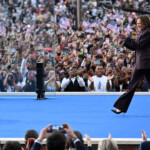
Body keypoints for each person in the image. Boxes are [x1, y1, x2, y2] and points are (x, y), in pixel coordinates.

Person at [111, 15, 150, 114]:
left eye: (139, 23)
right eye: (137, 23)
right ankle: (121, 108)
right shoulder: (142, 33)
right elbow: (134, 47)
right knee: (131, 86)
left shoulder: (147, 33)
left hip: (146, 63)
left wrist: (127, 38)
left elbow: (138, 45)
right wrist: (125, 39)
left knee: (131, 86)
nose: (138, 25)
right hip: (141, 63)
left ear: (145, 23)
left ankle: (121, 107)